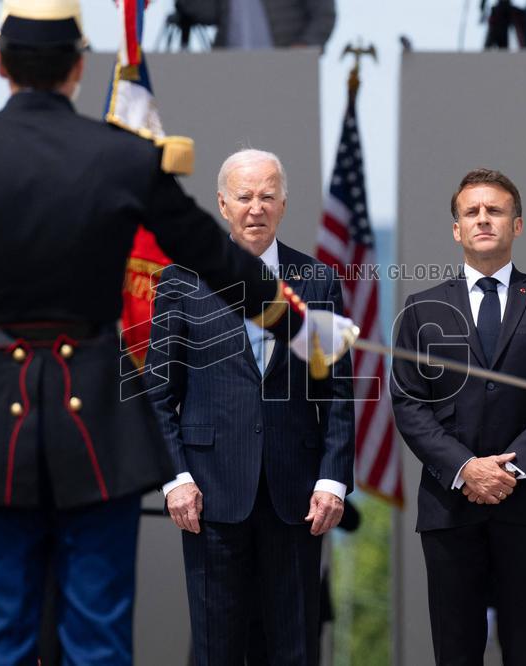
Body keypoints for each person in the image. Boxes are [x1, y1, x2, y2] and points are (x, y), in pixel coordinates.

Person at [0, 2, 356, 663]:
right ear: (80, 68)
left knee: (1, 639)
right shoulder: (125, 157)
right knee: (98, 638)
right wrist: (294, 324)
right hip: (97, 429)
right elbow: (215, 258)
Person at [146, 149, 355, 666]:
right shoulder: (181, 281)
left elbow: (338, 395)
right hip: (208, 497)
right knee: (217, 647)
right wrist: (176, 479)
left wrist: (332, 480)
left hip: (296, 497)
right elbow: (155, 393)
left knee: (293, 648)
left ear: (284, 204)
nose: (255, 208)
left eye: (267, 196)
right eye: (244, 197)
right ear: (222, 203)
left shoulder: (318, 282)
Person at [390, 168, 526, 665]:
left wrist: (509, 469)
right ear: (456, 229)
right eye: (471, 212)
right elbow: (409, 404)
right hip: (450, 507)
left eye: (495, 211)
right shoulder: (420, 309)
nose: (483, 220)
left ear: (516, 225)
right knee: (455, 652)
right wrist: (466, 469)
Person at [176, 0, 336, 49]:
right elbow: (205, 13)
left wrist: (304, 46)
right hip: (228, 69)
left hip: (283, 69)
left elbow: (324, 15)